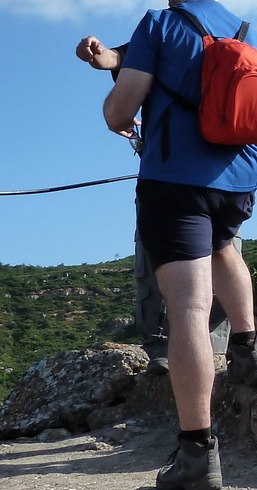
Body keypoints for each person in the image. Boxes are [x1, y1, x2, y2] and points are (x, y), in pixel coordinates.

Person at [101, 0, 257, 489]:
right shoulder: (248, 32)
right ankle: (248, 350)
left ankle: (197, 455)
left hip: (175, 179)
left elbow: (119, 111)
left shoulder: (160, 24)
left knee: (188, 310)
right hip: (239, 179)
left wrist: (118, 110)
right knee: (224, 247)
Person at [75, 37, 236, 375]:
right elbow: (115, 58)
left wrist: (102, 59)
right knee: (218, 256)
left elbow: (117, 72)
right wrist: (97, 54)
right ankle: (216, 348)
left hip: (171, 172)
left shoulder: (162, 29)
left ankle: (182, 347)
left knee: (165, 258)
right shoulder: (231, 34)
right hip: (222, 173)